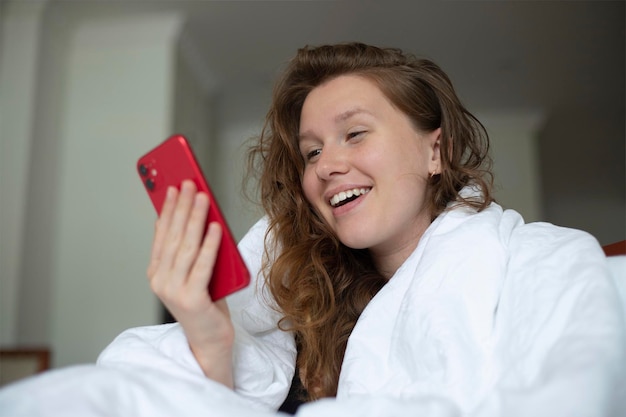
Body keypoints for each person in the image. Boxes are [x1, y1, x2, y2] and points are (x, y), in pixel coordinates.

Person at [0, 42, 623, 417]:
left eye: (354, 134)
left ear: (437, 151)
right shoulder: (299, 314)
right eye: (311, 152)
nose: (328, 165)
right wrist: (211, 341)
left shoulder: (533, 259)